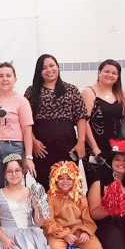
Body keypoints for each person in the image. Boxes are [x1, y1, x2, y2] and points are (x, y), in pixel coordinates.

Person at [25, 54, 87, 189]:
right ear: (39, 72)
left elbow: (81, 116)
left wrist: (81, 142)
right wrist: (33, 141)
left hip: (67, 146)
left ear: (58, 67)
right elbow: (25, 121)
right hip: (42, 148)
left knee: (67, 184)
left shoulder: (71, 89)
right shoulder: (31, 91)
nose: (49, 70)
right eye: (44, 68)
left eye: (52, 66)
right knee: (46, 185)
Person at [0, 62, 36, 191]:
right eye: (1, 76)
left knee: (14, 188)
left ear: (15, 79)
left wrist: (28, 157)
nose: (5, 79)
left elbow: (27, 131)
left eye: (8, 76)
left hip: (14, 148)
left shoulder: (22, 101)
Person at [82, 59, 125, 185]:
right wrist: (95, 148)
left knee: (116, 183)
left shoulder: (121, 93)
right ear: (99, 72)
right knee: (96, 184)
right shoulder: (89, 92)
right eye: (106, 71)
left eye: (114, 73)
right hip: (95, 146)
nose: (110, 75)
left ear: (118, 77)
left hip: (117, 146)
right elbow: (84, 122)